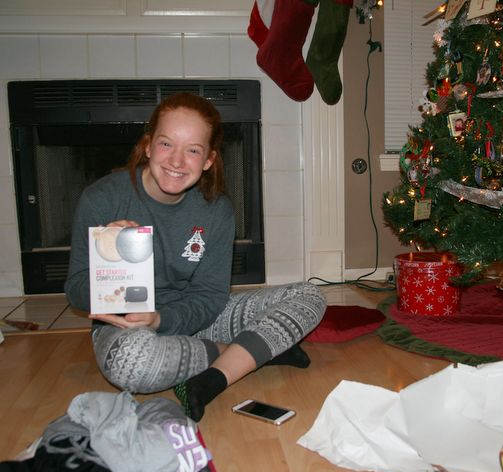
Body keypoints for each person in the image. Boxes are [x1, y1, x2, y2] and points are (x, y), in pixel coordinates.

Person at [64, 92, 326, 422]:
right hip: (130, 328)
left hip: (197, 320)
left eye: (192, 150)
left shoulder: (217, 211)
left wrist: (161, 319)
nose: (176, 161)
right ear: (148, 146)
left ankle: (213, 378)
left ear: (208, 160)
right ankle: (248, 354)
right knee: (131, 364)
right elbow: (76, 291)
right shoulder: (101, 199)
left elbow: (211, 296)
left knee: (311, 296)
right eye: (166, 144)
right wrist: (108, 258)